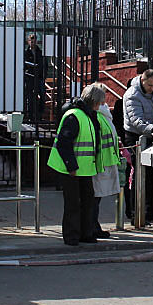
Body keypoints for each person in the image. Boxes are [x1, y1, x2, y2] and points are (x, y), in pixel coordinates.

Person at [47, 83, 106, 246]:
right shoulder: (74, 116)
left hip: (84, 168)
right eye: (99, 102)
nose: (100, 106)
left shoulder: (87, 115)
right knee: (73, 203)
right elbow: (63, 143)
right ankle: (72, 236)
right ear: (93, 101)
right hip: (71, 169)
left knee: (87, 202)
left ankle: (85, 233)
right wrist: (71, 166)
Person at [123, 69, 153, 225]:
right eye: (150, 85)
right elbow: (136, 120)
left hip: (151, 136)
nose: (152, 89)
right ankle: (136, 213)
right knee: (138, 176)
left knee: (152, 176)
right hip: (137, 137)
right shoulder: (132, 95)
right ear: (143, 80)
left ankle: (151, 212)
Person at [92, 102, 124, 240]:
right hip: (99, 162)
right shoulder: (99, 116)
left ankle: (94, 225)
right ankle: (92, 226)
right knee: (94, 197)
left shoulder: (104, 115)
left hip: (104, 161)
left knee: (96, 197)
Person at [24, 34, 45, 122]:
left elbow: (44, 64)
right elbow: (24, 65)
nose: (33, 43)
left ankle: (39, 115)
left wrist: (43, 76)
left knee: (42, 95)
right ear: (28, 42)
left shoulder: (40, 52)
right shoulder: (26, 52)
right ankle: (30, 116)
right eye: (31, 41)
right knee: (30, 97)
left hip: (39, 77)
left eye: (34, 41)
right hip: (29, 78)